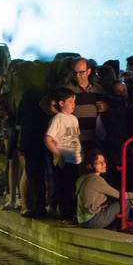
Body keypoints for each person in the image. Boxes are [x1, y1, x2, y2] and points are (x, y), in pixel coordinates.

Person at [43, 86, 81, 220]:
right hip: (65, 160)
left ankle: (71, 213)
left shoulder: (74, 119)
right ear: (61, 103)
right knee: (64, 188)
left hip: (75, 159)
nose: (73, 105)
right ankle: (65, 214)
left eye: (74, 102)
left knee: (73, 187)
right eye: (70, 101)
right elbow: (48, 139)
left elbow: (76, 138)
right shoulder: (58, 119)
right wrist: (59, 155)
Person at [75, 149, 130, 230]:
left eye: (104, 161)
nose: (104, 164)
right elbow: (118, 195)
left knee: (115, 201)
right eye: (99, 163)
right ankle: (122, 228)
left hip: (82, 220)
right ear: (90, 165)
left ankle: (114, 227)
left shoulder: (82, 178)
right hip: (92, 220)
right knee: (126, 201)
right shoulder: (95, 179)